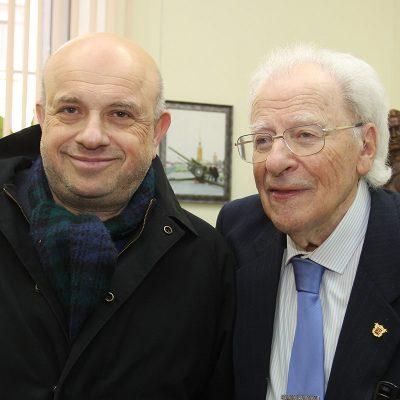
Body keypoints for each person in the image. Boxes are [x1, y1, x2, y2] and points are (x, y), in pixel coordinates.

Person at [0, 33, 235, 399]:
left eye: (120, 114)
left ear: (157, 131)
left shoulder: (206, 260)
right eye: (70, 110)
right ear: (43, 118)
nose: (92, 136)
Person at [217, 44, 400, 400]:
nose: (275, 161)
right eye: (263, 140)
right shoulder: (237, 232)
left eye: (305, 135)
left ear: (365, 147)